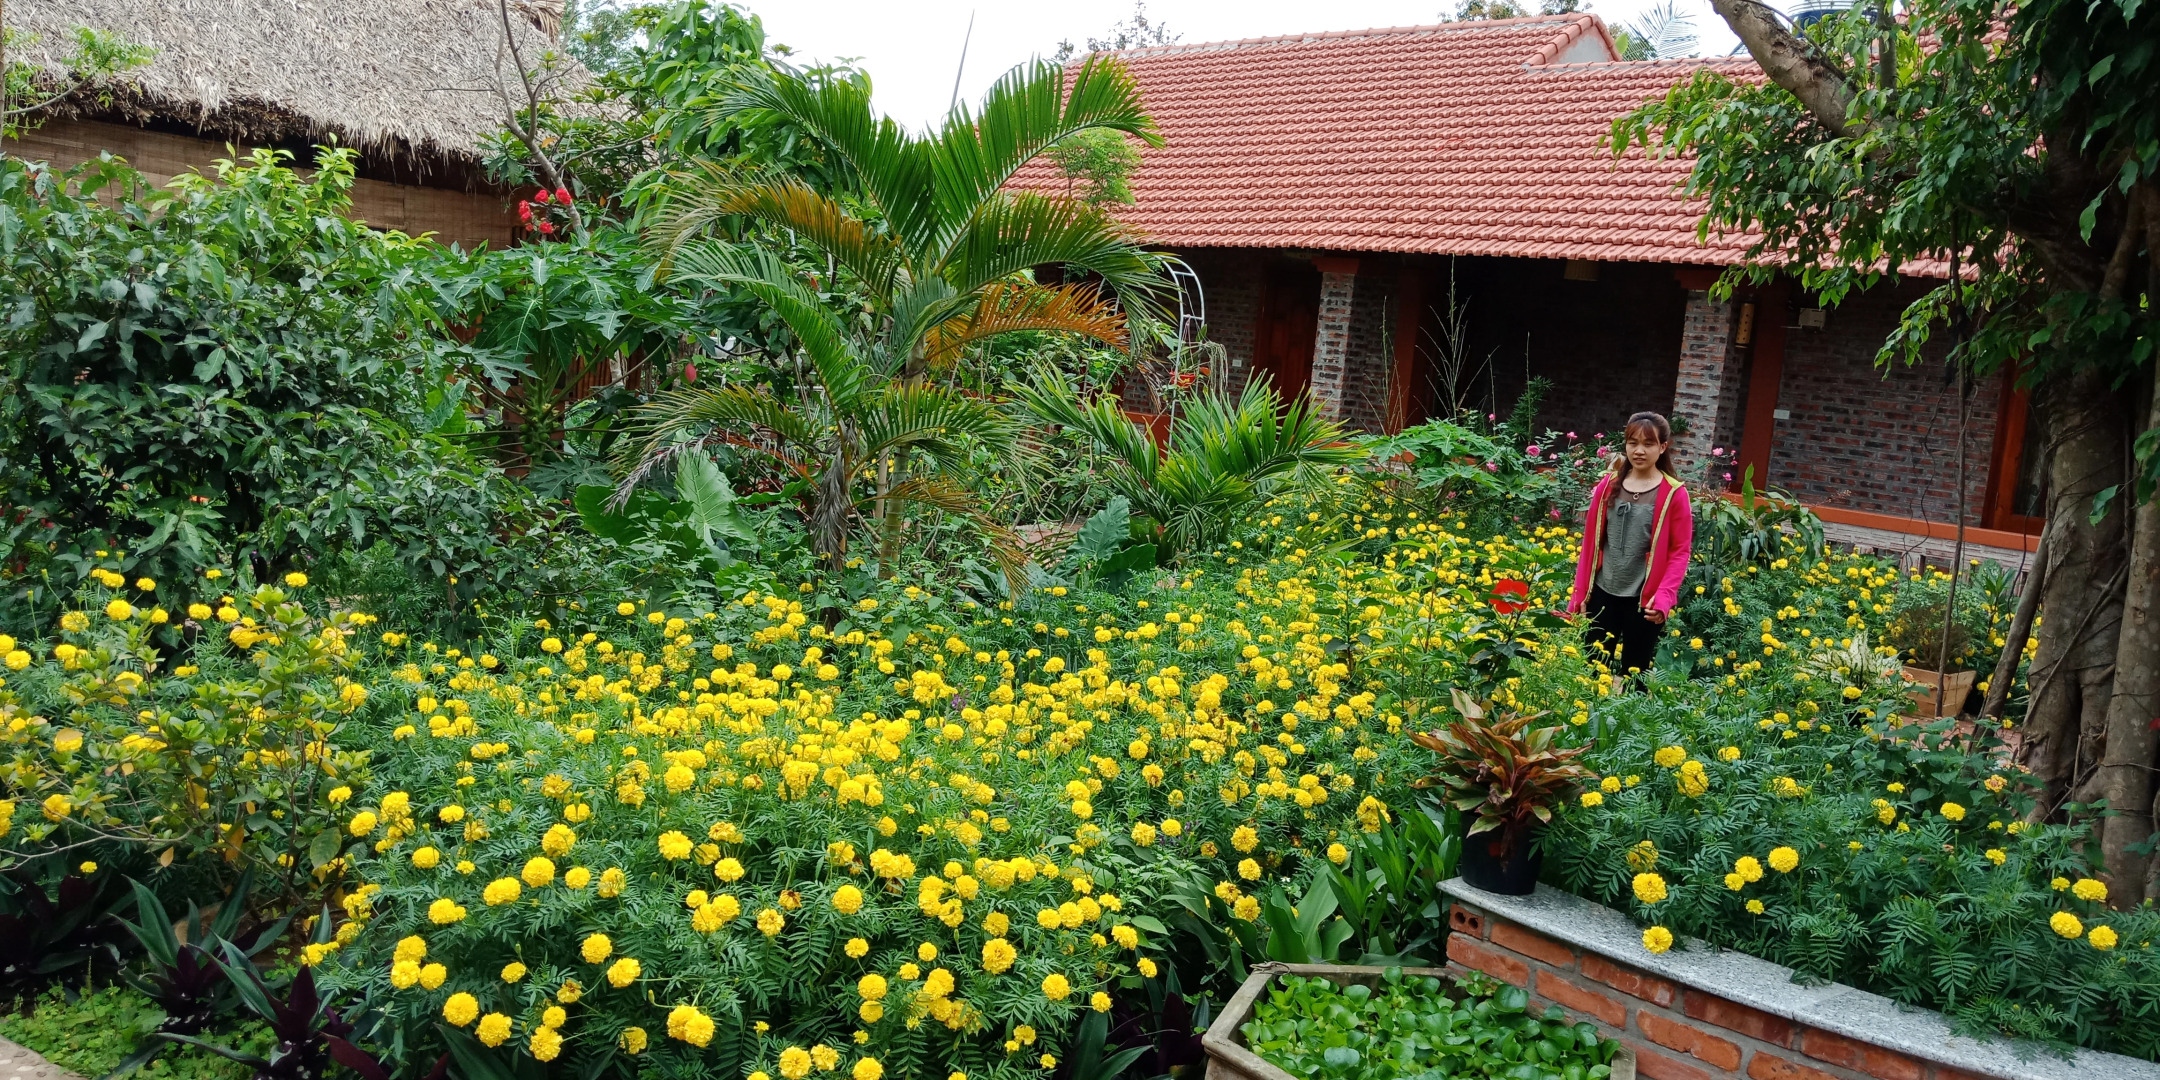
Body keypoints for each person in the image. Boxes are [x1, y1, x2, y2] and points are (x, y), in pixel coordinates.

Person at [1567, 412, 1693, 685]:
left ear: (1662, 447)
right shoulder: (1608, 486)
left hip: (1644, 602)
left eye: (1648, 444)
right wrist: (1580, 594)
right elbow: (1590, 544)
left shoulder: (1674, 494)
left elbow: (1680, 552)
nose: (1639, 451)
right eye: (1632, 442)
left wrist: (1664, 598)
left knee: (1636, 677)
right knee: (1591, 675)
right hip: (1603, 594)